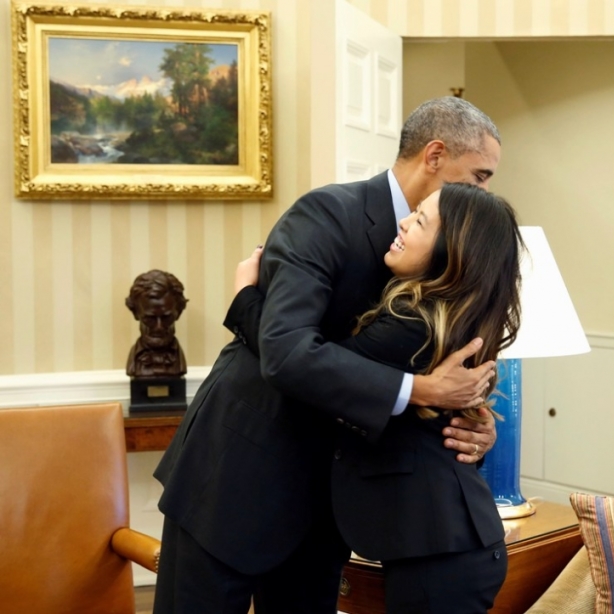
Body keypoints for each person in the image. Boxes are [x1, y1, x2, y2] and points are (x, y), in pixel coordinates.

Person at [153, 97, 504, 614]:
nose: (484, 191)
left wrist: (471, 419)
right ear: (434, 156)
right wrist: (421, 391)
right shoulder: (326, 214)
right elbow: (288, 351)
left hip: (330, 499)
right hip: (235, 473)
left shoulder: (453, 252)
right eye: (479, 174)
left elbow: (416, 358)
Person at [232, 183, 523, 612]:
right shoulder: (443, 318)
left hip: (441, 551)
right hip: (442, 547)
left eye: (420, 220)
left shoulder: (414, 325)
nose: (403, 222)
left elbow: (310, 372)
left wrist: (244, 301)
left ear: (451, 251)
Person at [124, 269, 188, 377]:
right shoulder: (134, 362)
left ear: (179, 313)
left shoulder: (179, 360)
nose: (159, 327)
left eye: (166, 318)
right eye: (150, 319)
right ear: (135, 313)